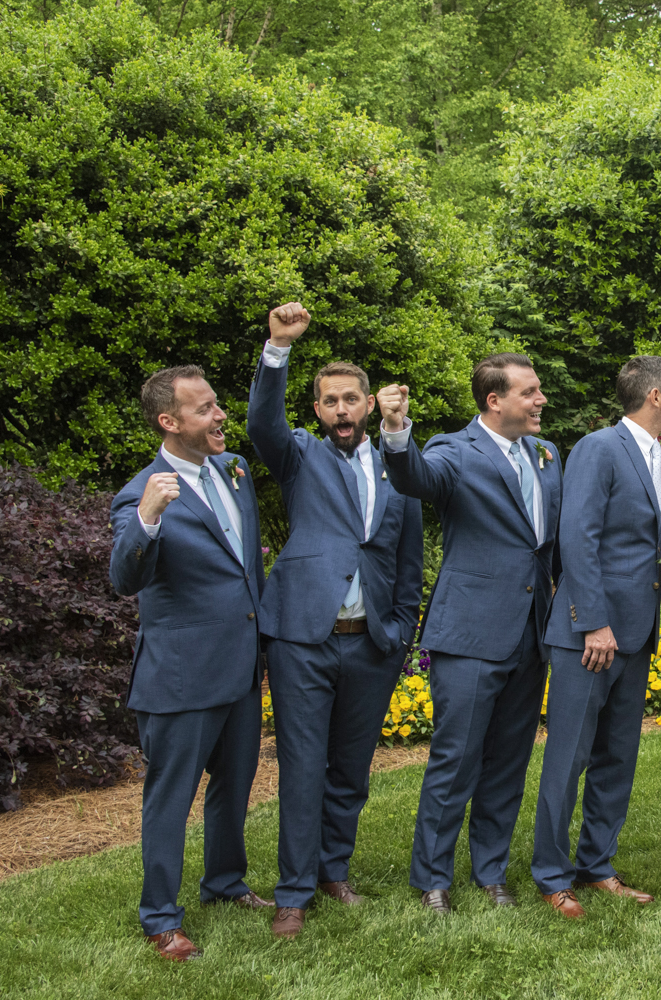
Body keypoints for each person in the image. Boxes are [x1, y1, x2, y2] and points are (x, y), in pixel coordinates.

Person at [245, 303, 425, 938]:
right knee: (300, 767)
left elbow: (408, 562)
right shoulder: (296, 457)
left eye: (352, 399)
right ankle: (292, 891)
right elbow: (262, 421)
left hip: (372, 643)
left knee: (350, 769)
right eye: (331, 402)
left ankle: (332, 870)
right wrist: (278, 348)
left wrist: (401, 630)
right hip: (303, 639)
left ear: (370, 405)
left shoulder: (401, 467)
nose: (343, 411)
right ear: (317, 411)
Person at [376, 353, 562, 914]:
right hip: (470, 632)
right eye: (529, 392)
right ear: (494, 401)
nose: (540, 400)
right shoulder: (452, 451)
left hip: (532, 631)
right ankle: (432, 878)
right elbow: (414, 479)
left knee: (508, 759)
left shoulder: (549, 455)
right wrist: (394, 429)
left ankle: (491, 871)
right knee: (455, 760)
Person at [109, 365, 272, 961]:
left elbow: (245, 567)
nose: (220, 415)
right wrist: (148, 518)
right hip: (179, 676)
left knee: (235, 786)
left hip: (240, 666)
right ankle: (160, 918)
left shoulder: (235, 470)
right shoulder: (140, 491)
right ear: (169, 422)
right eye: (204, 410)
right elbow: (125, 578)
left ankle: (225, 884)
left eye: (217, 405)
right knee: (170, 799)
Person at [531, 356, 661, 919]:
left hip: (637, 631)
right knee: (568, 757)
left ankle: (597, 865)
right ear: (653, 396)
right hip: (589, 635)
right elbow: (577, 537)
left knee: (618, 755)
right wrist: (592, 621)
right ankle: (551, 874)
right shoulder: (599, 447)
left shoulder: (660, 456)